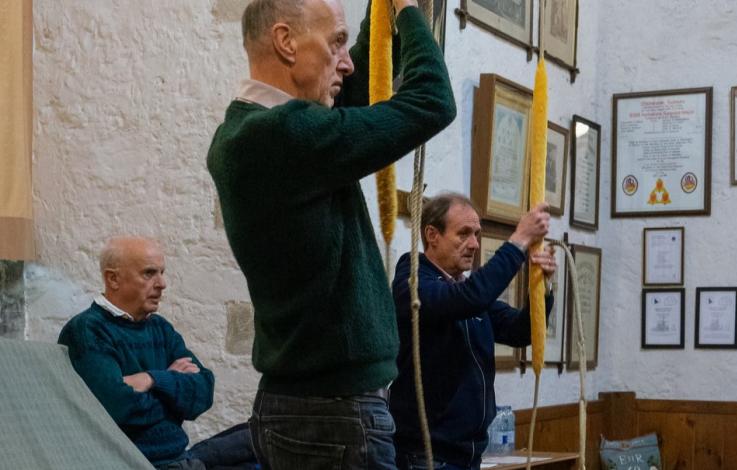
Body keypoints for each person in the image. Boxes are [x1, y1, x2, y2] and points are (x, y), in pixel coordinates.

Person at [206, 0, 455, 468]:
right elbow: (432, 101)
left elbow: (361, 80)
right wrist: (408, 14)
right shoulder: (283, 135)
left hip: (310, 409)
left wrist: (382, 14)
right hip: (335, 415)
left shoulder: (253, 130)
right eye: (336, 44)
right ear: (285, 42)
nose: (347, 60)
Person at [58, 237, 257, 470]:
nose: (162, 283)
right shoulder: (88, 330)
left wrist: (152, 379)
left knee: (269, 436)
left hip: (181, 457)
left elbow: (203, 392)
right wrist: (174, 390)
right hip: (137, 463)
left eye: (162, 272)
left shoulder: (159, 328)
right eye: (149, 273)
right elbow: (117, 409)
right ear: (113, 279)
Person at [389, 193, 556, 470]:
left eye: (477, 234)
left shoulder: (465, 289)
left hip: (468, 456)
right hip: (426, 457)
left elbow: (520, 331)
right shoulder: (414, 281)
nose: (474, 244)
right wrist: (518, 242)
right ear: (432, 235)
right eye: (464, 234)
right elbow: (467, 299)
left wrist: (544, 288)